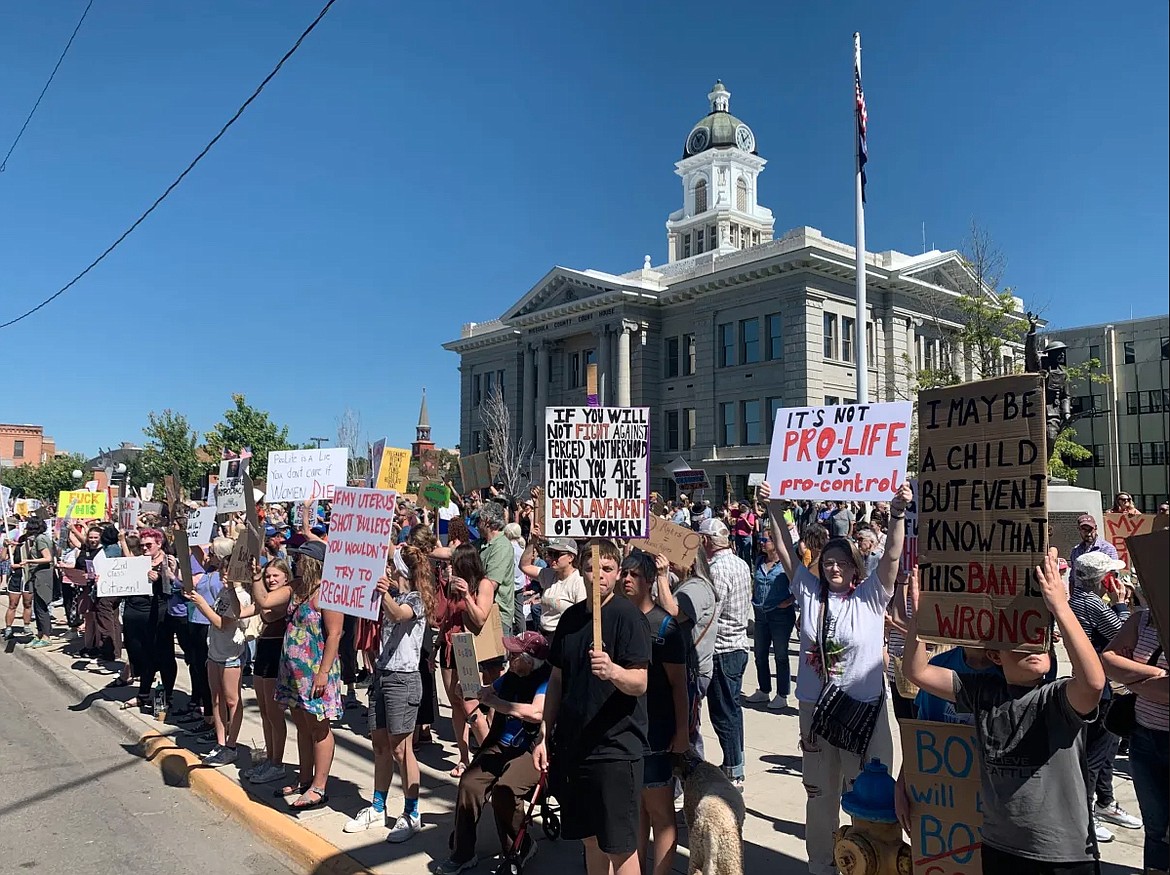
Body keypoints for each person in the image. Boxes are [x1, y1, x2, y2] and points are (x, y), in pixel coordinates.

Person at [904, 551, 1106, 875]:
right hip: (999, 848)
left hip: (1062, 856)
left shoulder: (1057, 698)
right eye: (1021, 636)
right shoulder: (983, 694)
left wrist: (1060, 606)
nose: (1033, 644)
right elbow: (917, 671)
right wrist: (921, 615)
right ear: (997, 656)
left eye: (1039, 636)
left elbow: (1094, 682)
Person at [761, 479, 911, 875]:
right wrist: (775, 509)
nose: (834, 568)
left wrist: (896, 514)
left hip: (863, 710)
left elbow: (893, 557)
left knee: (867, 792)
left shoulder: (871, 596)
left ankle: (870, 863)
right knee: (819, 793)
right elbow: (784, 552)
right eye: (828, 562)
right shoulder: (809, 592)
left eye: (841, 562)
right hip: (817, 710)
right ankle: (822, 864)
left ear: (854, 567)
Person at [533, 538, 650, 875]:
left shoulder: (628, 618)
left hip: (615, 750)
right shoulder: (570, 619)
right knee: (589, 840)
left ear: (616, 574)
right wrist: (544, 733)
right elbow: (557, 680)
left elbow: (640, 682)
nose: (598, 574)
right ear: (580, 571)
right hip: (574, 747)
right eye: (591, 567)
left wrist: (613, 671)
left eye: (607, 568)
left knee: (621, 848)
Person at [344, 542, 435, 843]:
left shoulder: (417, 599)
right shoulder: (394, 594)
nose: (391, 571)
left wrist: (383, 593)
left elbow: (398, 615)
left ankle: (412, 812)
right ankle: (378, 806)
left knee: (401, 749)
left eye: (394, 566)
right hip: (382, 675)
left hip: (404, 679)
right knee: (380, 745)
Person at [438, 632, 551, 874]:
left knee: (505, 790)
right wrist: (469, 690)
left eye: (515, 654)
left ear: (530, 660)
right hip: (501, 744)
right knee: (469, 783)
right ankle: (463, 853)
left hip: (531, 749)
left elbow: (536, 712)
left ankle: (519, 847)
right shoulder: (512, 675)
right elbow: (488, 691)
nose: (509, 657)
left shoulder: (546, 679)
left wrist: (497, 704)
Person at [252, 539, 343, 811]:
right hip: (293, 672)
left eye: (301, 558)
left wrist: (323, 673)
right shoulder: (297, 587)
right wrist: (256, 575)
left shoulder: (328, 591)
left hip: (315, 671)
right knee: (302, 725)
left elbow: (335, 634)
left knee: (319, 727)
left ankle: (319, 786)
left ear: (313, 562)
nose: (296, 562)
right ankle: (304, 780)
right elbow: (265, 601)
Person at [621, 550, 688, 875]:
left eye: (634, 575)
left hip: (657, 731)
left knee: (660, 812)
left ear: (649, 580)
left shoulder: (665, 627)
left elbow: (679, 685)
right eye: (624, 574)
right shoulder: (618, 619)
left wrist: (682, 732)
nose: (626, 580)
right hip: (626, 730)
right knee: (636, 811)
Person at [1069, 551, 1142, 842]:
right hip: (1100, 686)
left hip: (1092, 682)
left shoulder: (1076, 599)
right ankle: (1084, 817)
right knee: (1096, 753)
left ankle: (1104, 801)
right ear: (1103, 579)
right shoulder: (1093, 604)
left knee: (1107, 748)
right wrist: (1123, 605)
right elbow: (1122, 633)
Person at [1102, 606, 1168, 874]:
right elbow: (1108, 661)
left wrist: (1132, 677)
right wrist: (1155, 674)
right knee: (1155, 826)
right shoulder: (1142, 618)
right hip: (1143, 738)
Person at [185, 548, 256, 768]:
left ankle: (231, 745)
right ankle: (220, 741)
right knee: (215, 699)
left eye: (229, 572)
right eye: (223, 571)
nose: (224, 575)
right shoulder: (223, 593)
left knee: (231, 700)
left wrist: (201, 604)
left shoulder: (242, 596)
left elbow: (222, 622)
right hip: (214, 651)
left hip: (230, 655)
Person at [698, 518, 751, 789]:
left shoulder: (717, 569)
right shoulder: (740, 562)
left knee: (723, 712)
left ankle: (733, 769)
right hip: (737, 644)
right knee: (732, 710)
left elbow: (710, 612)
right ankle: (735, 762)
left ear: (707, 541)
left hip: (723, 648)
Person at [436, 543, 496, 776]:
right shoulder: (453, 586)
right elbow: (446, 617)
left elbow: (481, 618)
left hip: (469, 649)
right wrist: (436, 647)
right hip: (450, 646)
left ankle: (489, 756)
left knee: (470, 703)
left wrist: (467, 597)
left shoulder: (483, 584)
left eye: (455, 564)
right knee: (456, 704)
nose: (452, 568)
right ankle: (463, 758)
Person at [246, 557, 292, 785]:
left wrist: (256, 581)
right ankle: (270, 758)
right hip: (263, 648)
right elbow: (242, 611)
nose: (271, 579)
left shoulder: (285, 595)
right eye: (268, 576)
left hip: (277, 651)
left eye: (275, 575)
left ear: (286, 577)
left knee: (274, 713)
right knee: (264, 711)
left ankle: (278, 762)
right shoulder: (265, 595)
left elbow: (267, 611)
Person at [743, 526, 795, 711]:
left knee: (780, 655)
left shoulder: (786, 564)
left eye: (766, 540)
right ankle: (764, 689)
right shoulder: (758, 561)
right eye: (761, 540)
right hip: (760, 614)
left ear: (775, 542)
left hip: (780, 615)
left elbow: (799, 587)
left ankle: (782, 694)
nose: (762, 543)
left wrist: (789, 601)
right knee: (759, 654)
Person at [519, 530, 585, 637]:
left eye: (557, 554)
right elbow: (524, 566)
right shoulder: (548, 574)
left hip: (564, 636)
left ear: (571, 557)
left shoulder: (578, 582)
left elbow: (582, 617)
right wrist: (532, 543)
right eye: (550, 554)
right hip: (544, 632)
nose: (552, 559)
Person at [477, 501, 518, 638]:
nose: (476, 524)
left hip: (497, 616)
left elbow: (490, 584)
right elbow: (455, 552)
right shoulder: (481, 543)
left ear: (486, 521)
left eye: (479, 519)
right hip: (480, 612)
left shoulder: (501, 546)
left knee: (494, 659)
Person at [15, 519, 54, 647]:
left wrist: (28, 561)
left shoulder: (41, 539)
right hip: (37, 575)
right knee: (37, 607)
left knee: (42, 606)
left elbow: (47, 558)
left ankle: (46, 636)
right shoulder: (39, 539)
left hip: (42, 576)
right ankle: (40, 633)